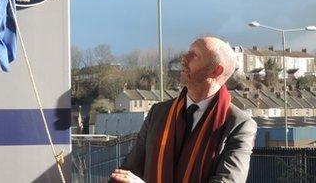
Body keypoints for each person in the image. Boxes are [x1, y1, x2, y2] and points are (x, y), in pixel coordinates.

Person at [110, 37, 257, 183]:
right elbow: (127, 172)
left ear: (216, 71)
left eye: (194, 55)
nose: (183, 58)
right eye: (187, 52)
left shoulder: (239, 125)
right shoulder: (158, 113)